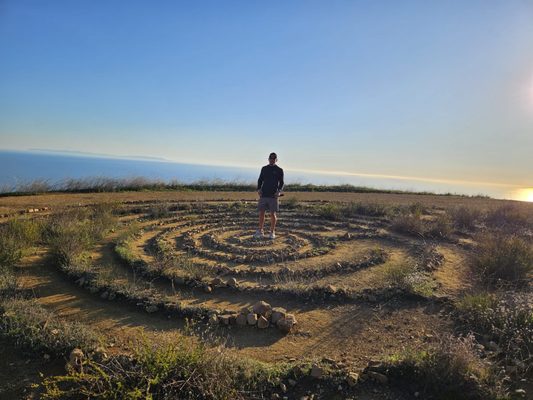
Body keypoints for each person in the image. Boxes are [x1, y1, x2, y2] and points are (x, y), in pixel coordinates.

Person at [254, 152, 284, 239]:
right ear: (268, 159)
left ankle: (272, 232)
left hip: (273, 195)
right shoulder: (264, 168)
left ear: (276, 160)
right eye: (271, 158)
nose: (272, 160)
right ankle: (260, 230)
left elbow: (281, 182)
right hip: (263, 194)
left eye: (274, 159)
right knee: (261, 213)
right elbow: (260, 180)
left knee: (272, 214)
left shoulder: (279, 170)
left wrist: (278, 191)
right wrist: (259, 189)